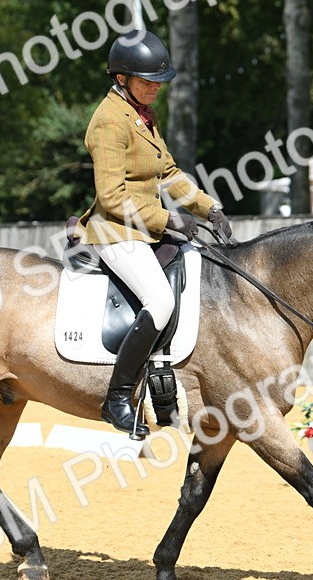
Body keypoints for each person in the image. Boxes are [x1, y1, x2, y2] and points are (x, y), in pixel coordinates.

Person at [76, 30, 233, 437]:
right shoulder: (108, 121)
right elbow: (111, 197)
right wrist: (170, 222)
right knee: (160, 299)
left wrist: (207, 207)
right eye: (148, 82)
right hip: (114, 231)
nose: (156, 89)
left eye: (160, 82)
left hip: (143, 227)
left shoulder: (143, 114)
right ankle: (117, 398)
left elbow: (167, 173)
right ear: (122, 78)